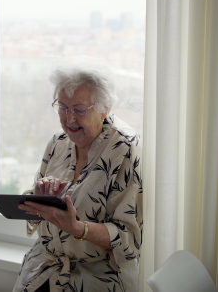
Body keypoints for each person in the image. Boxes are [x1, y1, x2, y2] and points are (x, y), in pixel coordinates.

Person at [13, 56, 143, 292]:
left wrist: (77, 228)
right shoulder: (58, 142)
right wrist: (38, 200)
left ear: (104, 108)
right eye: (62, 107)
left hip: (97, 279)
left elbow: (129, 239)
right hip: (43, 270)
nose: (69, 118)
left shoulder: (124, 149)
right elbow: (36, 217)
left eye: (79, 109)